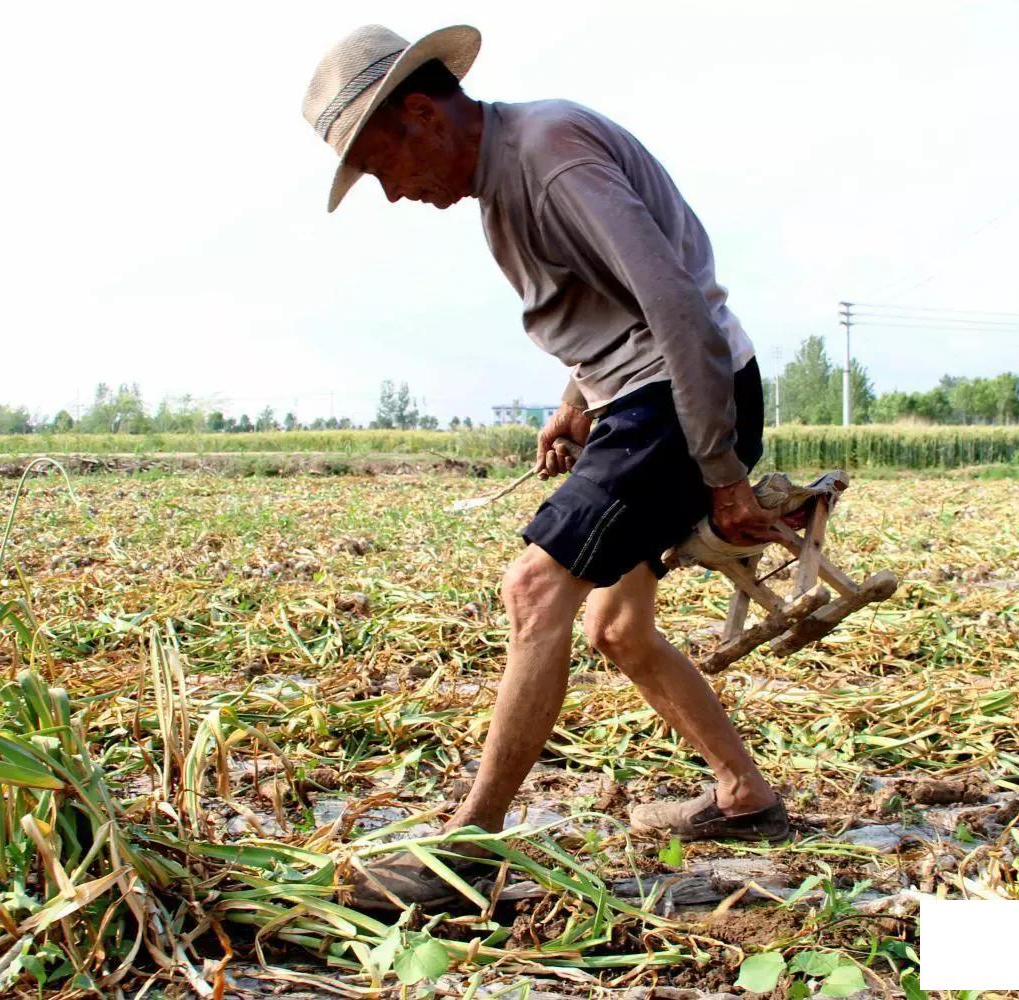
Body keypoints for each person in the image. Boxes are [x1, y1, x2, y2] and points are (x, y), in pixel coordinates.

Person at [302, 23, 789, 910]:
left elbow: (674, 302)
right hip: (642, 400)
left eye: (382, 168)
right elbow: (613, 304)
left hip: (678, 400)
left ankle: (464, 854)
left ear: (422, 114)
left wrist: (719, 469)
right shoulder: (507, 184)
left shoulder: (551, 154)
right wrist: (577, 400)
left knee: (533, 590)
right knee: (616, 628)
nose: (393, 194)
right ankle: (743, 793)